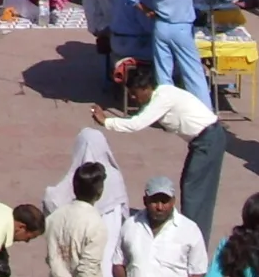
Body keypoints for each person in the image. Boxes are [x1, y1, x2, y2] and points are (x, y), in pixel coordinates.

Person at [97, 68, 230, 238]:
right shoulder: (163, 94)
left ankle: (192, 237)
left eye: (134, 93)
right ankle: (194, 232)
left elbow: (136, 124)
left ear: (145, 89)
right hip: (204, 141)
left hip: (208, 141)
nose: (133, 98)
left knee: (194, 190)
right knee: (193, 187)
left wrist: (106, 121)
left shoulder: (161, 98)